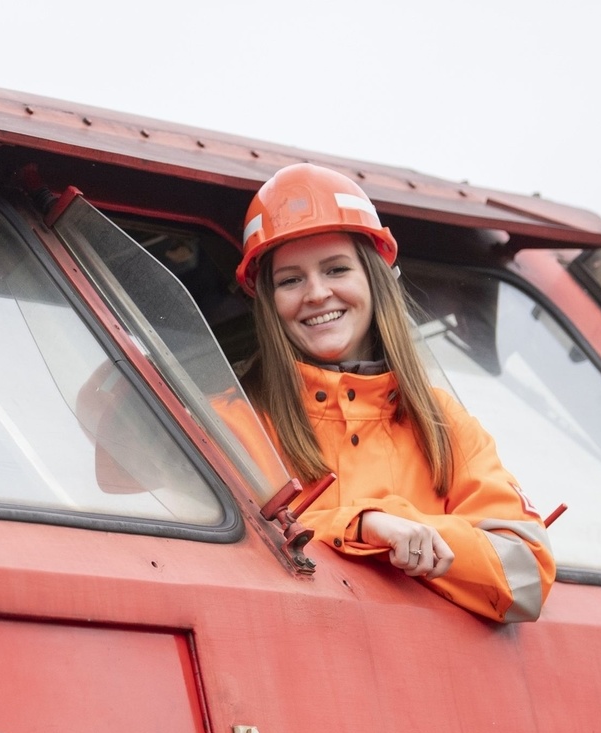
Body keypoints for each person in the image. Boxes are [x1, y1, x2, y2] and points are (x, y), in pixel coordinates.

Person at [217, 163, 556, 623]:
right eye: (291, 279)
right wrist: (368, 525)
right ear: (268, 300)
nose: (316, 294)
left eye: (336, 269)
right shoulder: (233, 419)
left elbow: (527, 575)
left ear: (375, 281)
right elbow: (224, 544)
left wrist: (412, 532)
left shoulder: (442, 422)